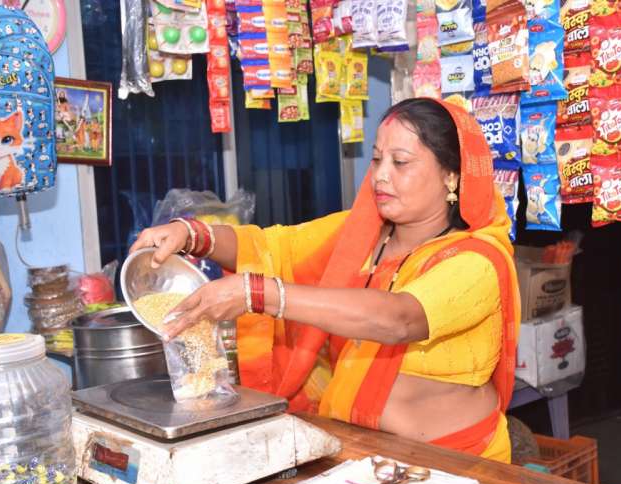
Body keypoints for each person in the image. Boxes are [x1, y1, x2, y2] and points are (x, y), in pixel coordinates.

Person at [130, 98, 520, 463]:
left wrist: (255, 294)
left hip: (456, 464)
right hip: (358, 451)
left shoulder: (477, 260)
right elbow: (274, 248)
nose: (380, 176)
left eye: (401, 162)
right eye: (377, 159)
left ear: (451, 176)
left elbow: (399, 319)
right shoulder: (362, 235)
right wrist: (192, 234)